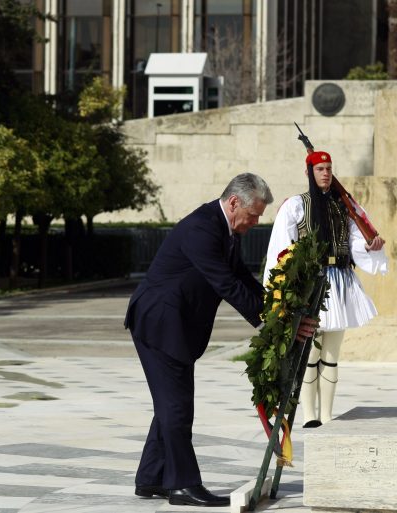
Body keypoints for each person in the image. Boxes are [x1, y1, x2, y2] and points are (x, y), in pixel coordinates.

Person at [125, 173, 317, 507]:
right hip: (160, 323)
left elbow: (242, 276)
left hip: (176, 326)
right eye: (254, 215)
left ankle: (151, 476)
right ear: (233, 203)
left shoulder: (225, 228)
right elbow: (227, 285)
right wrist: (276, 323)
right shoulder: (202, 228)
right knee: (177, 406)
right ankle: (182, 484)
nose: (256, 222)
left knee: (171, 404)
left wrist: (281, 310)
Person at [263, 151, 387, 428]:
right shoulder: (296, 205)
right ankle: (310, 415)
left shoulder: (343, 205)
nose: (325, 173)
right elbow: (282, 248)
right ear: (308, 172)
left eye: (329, 168)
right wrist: (281, 289)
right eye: (320, 168)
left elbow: (355, 240)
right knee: (311, 351)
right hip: (312, 283)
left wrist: (369, 247)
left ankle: (328, 414)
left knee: (331, 354)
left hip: (341, 281)